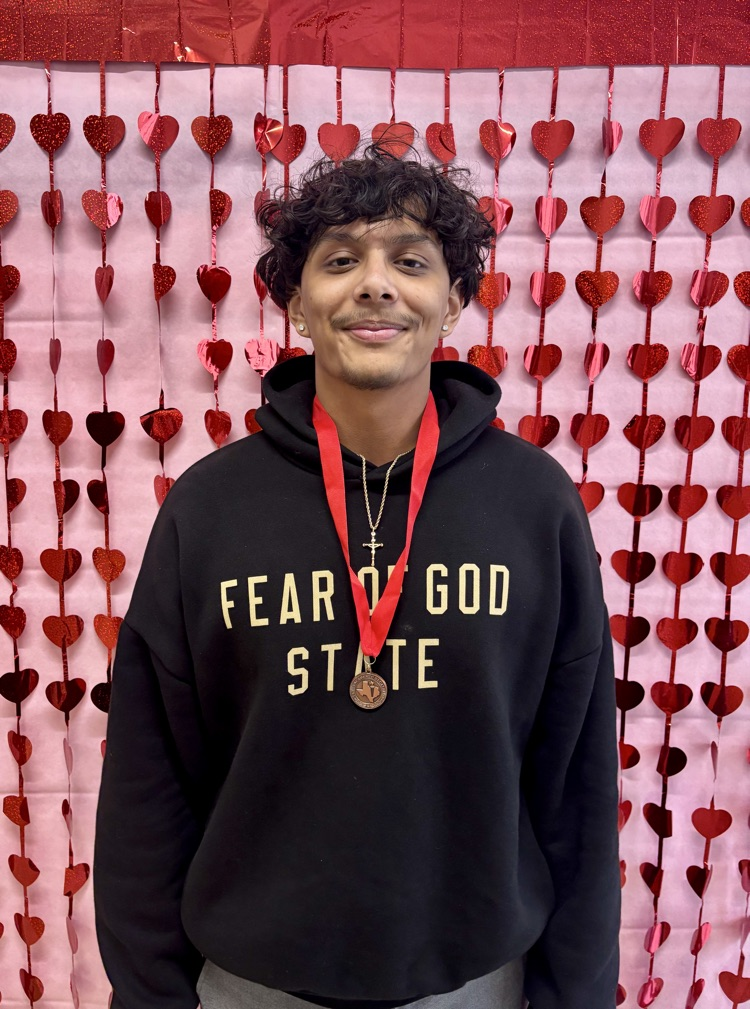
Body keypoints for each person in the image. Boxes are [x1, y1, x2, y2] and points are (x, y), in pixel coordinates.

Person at [93, 146, 621, 1009]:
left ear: (453, 301)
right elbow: (149, 789)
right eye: (340, 259)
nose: (375, 284)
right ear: (298, 304)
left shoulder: (534, 503)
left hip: (473, 982)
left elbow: (576, 785)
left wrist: (578, 995)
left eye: (410, 260)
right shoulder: (210, 508)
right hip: (249, 986)